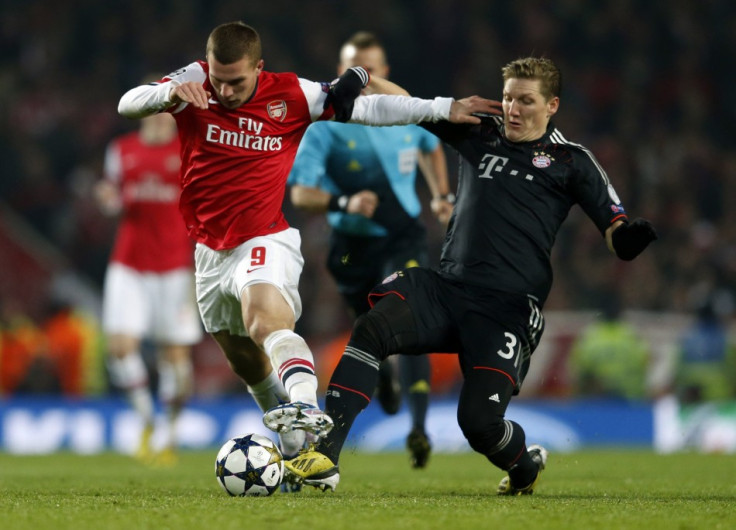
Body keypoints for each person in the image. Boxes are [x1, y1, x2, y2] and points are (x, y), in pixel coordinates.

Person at [117, 21, 499, 461]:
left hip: (264, 236)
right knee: (243, 359)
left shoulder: (291, 95)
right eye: (218, 81)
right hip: (209, 249)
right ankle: (292, 438)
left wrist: (442, 108)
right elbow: (129, 104)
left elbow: (371, 108)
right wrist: (168, 94)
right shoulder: (194, 81)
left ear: (258, 68)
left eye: (237, 81)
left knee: (265, 320)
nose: (225, 92)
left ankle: (303, 404)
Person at [282, 56, 658, 494]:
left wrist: (627, 239)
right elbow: (408, 103)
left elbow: (615, 229)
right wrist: (358, 78)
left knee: (478, 424)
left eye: (526, 101)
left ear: (552, 105)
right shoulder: (480, 130)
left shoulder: (572, 162)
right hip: (447, 289)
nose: (514, 109)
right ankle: (325, 455)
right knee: (371, 329)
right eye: (508, 98)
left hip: (507, 309)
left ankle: (524, 467)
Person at [287, 32, 453, 469]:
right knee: (366, 328)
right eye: (353, 71)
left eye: (372, 70)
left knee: (408, 315)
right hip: (351, 245)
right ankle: (383, 384)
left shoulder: (402, 115)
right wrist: (343, 202)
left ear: (384, 73)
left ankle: (418, 428)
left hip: (403, 236)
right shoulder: (326, 127)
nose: (364, 78)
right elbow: (301, 193)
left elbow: (431, 148)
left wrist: (440, 194)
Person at [95, 109, 202, 464]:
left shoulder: (187, 151)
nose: (160, 120)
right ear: (141, 114)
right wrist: (107, 199)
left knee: (174, 356)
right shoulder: (121, 150)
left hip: (174, 266)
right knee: (121, 348)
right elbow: (110, 192)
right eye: (154, 112)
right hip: (129, 263)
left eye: (166, 114)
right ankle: (145, 420)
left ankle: (168, 433)